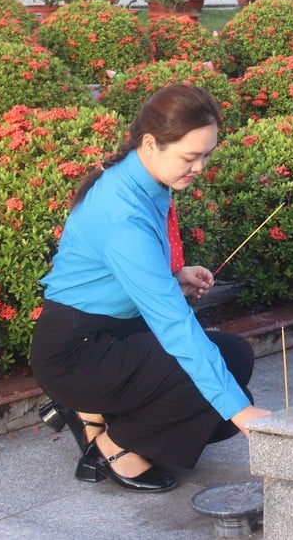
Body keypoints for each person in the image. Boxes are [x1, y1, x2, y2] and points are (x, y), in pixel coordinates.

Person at [31, 84, 270, 494]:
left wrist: (174, 277)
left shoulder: (140, 179)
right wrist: (244, 415)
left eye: (207, 154)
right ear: (150, 143)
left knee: (234, 356)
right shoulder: (122, 211)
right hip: (75, 352)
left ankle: (93, 412)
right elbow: (175, 327)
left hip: (109, 331)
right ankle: (112, 446)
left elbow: (112, 275)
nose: (199, 167)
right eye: (190, 156)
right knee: (216, 389)